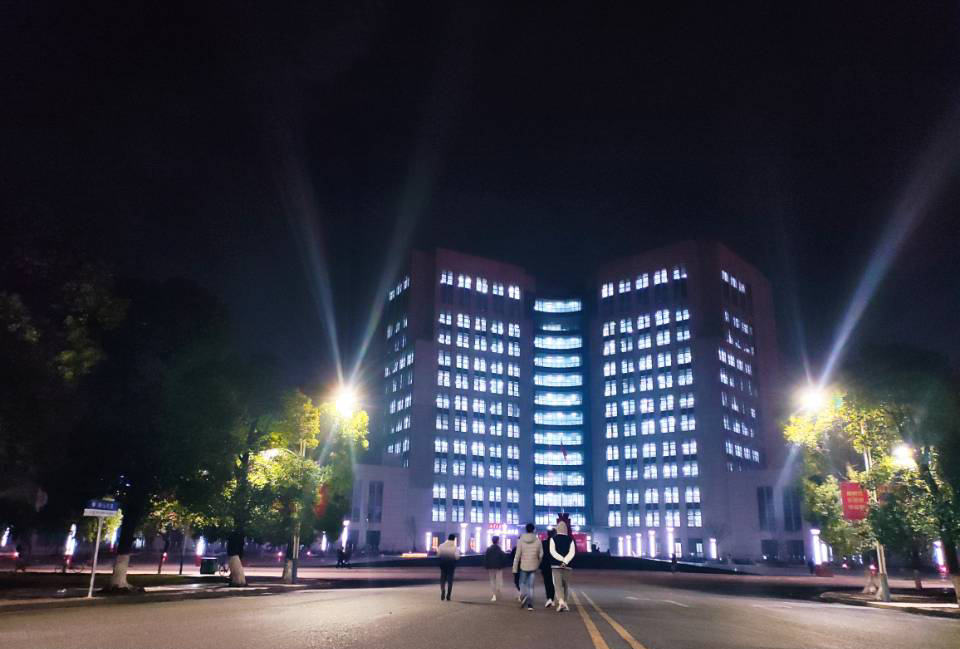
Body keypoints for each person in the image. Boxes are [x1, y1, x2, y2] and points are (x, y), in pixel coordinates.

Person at [512, 523, 543, 611]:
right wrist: (538, 563)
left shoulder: (521, 540)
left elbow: (517, 556)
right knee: (531, 586)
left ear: (526, 529)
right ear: (533, 530)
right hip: (533, 566)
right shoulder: (538, 541)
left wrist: (514, 568)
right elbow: (541, 554)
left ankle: (523, 595)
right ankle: (530, 605)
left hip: (523, 566)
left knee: (522, 583)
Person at [549, 520, 576, 611]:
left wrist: (561, 560)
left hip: (556, 565)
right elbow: (572, 553)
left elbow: (553, 552)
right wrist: (565, 561)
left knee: (557, 584)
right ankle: (565, 603)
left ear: (557, 529)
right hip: (567, 566)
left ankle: (560, 602)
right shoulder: (571, 540)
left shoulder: (553, 539)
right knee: (566, 585)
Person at [436, 533, 460, 601]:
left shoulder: (441, 545)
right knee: (450, 580)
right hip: (451, 565)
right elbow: (457, 557)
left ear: (448, 538)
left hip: (443, 565)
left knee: (442, 579)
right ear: (454, 539)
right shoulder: (455, 547)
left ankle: (443, 590)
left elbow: (438, 555)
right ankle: (448, 595)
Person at [484, 535, 506, 601]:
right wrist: (503, 565)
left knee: (492, 580)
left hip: (491, 567)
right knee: (499, 579)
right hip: (498, 567)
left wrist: (487, 566)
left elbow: (486, 558)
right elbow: (503, 558)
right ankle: (498, 590)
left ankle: (494, 594)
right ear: (498, 541)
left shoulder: (488, 549)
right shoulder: (499, 549)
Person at [540, 528, 556, 608]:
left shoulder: (543, 543)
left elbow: (540, 555)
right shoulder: (556, 543)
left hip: (545, 565)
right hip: (554, 565)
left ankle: (549, 598)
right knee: (554, 583)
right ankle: (552, 598)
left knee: (547, 582)